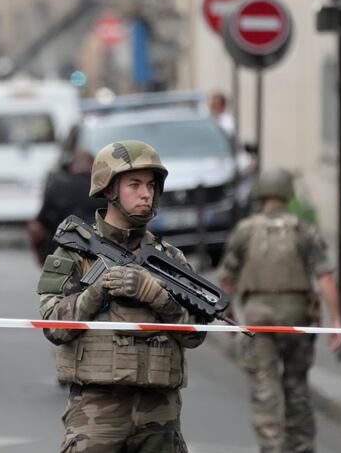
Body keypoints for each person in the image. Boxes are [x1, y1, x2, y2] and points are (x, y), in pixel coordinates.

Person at [37, 140, 206, 452]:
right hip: (97, 412)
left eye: (151, 185)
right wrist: (96, 292)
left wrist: (159, 298)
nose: (146, 193)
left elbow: (195, 335)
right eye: (134, 184)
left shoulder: (170, 259)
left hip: (160, 414)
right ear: (108, 189)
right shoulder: (75, 252)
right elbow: (51, 325)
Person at [217, 167, 341, 453]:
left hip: (258, 320)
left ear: (261, 193)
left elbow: (226, 278)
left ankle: (272, 447)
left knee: (264, 389)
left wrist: (229, 316)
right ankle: (301, 446)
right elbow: (325, 277)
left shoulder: (245, 230)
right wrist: (336, 320)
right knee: (297, 386)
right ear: (288, 193)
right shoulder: (303, 230)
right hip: (296, 318)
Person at [27, 151, 106, 264]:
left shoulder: (56, 186)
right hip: (99, 256)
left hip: (60, 256)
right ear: (94, 167)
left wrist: (42, 259)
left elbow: (36, 227)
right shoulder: (104, 189)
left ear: (71, 166)